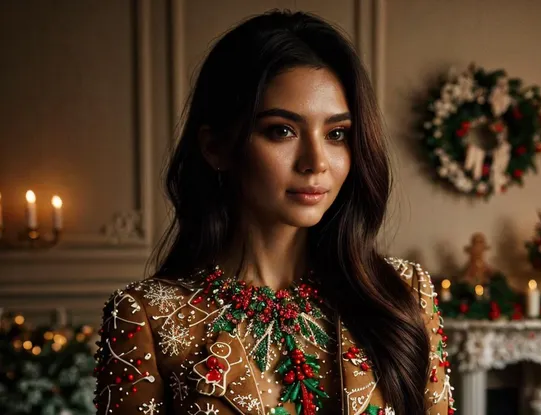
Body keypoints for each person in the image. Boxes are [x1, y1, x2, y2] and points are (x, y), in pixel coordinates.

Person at [92, 9, 455, 415]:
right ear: (216, 148)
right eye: (282, 130)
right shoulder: (149, 315)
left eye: (336, 134)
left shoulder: (401, 293)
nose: (316, 161)